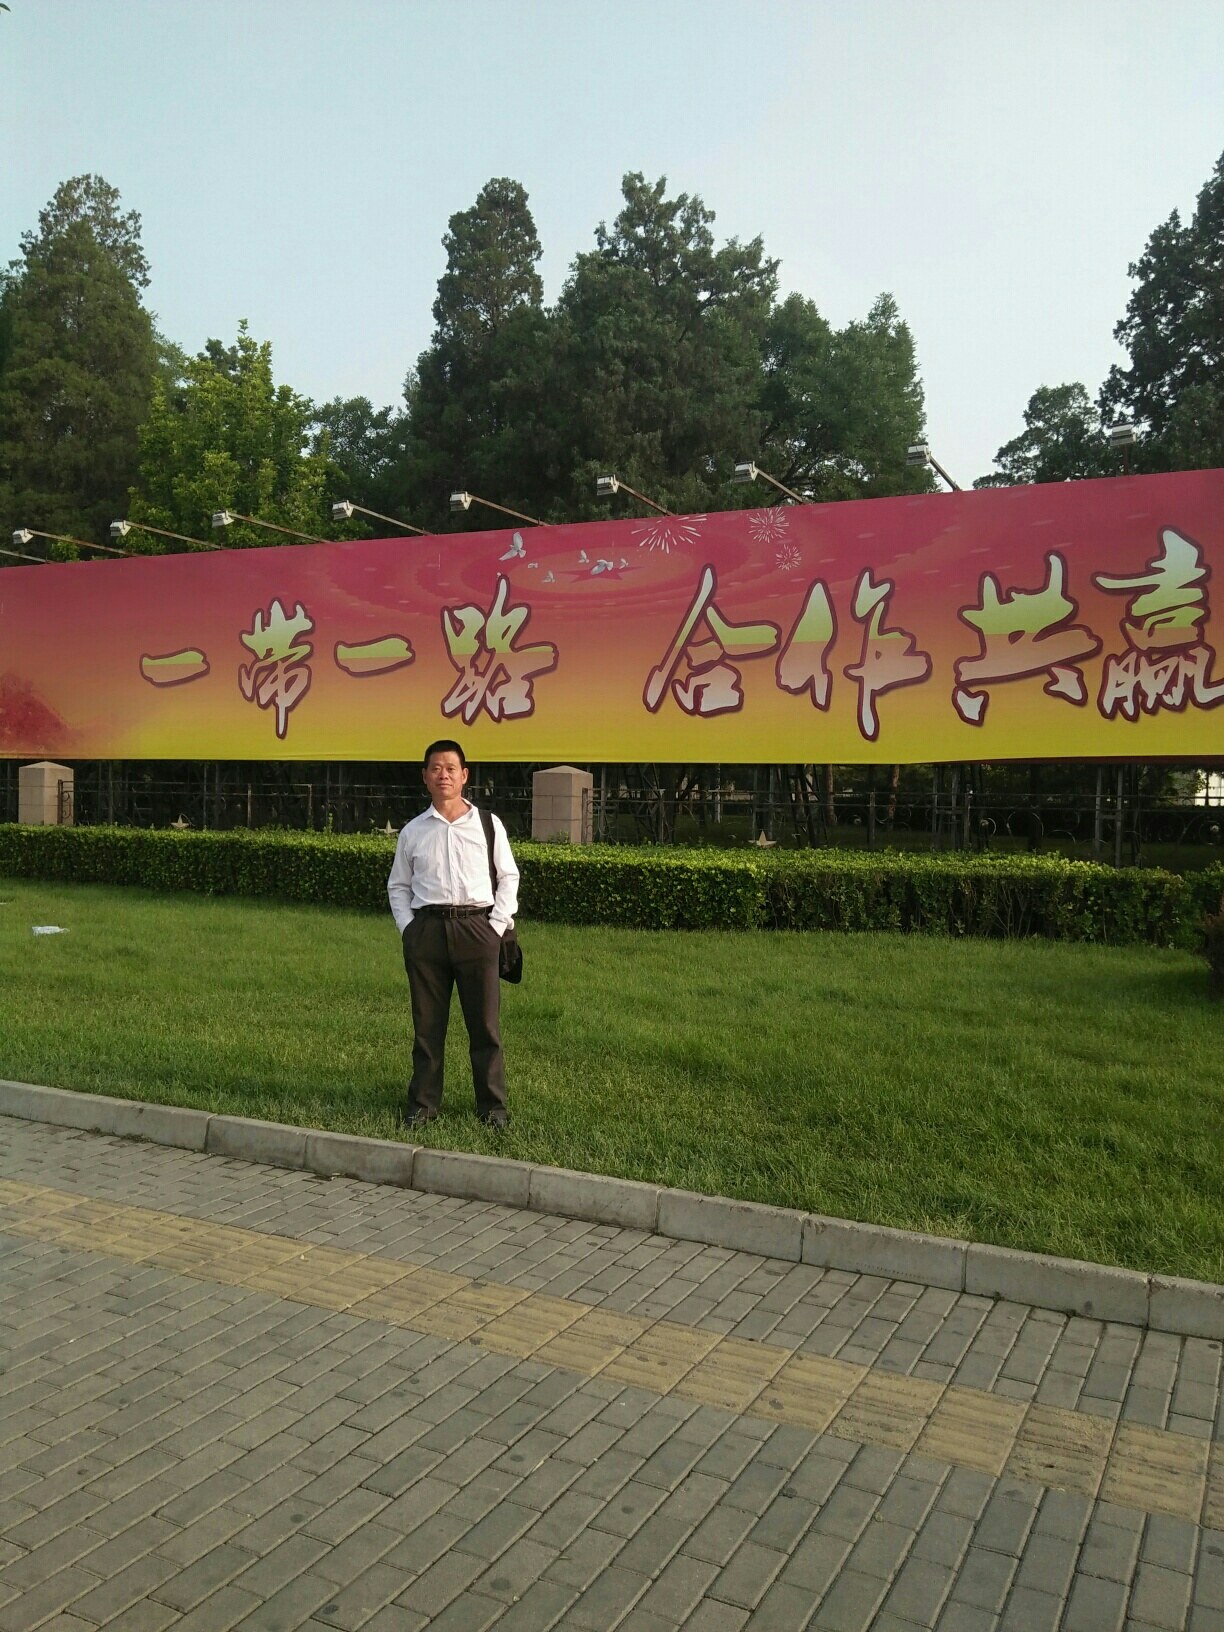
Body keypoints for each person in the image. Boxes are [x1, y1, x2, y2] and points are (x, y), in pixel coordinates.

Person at [387, 740, 519, 1128]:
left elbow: (508, 877)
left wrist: (495, 927)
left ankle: (492, 1108)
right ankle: (422, 1105)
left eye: (450, 768)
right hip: (427, 932)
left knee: (485, 1026)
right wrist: (409, 929)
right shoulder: (413, 831)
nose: (443, 775)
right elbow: (398, 886)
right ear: (425, 777)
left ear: (464, 776)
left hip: (478, 930)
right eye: (435, 768)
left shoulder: (488, 825)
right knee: (427, 1026)